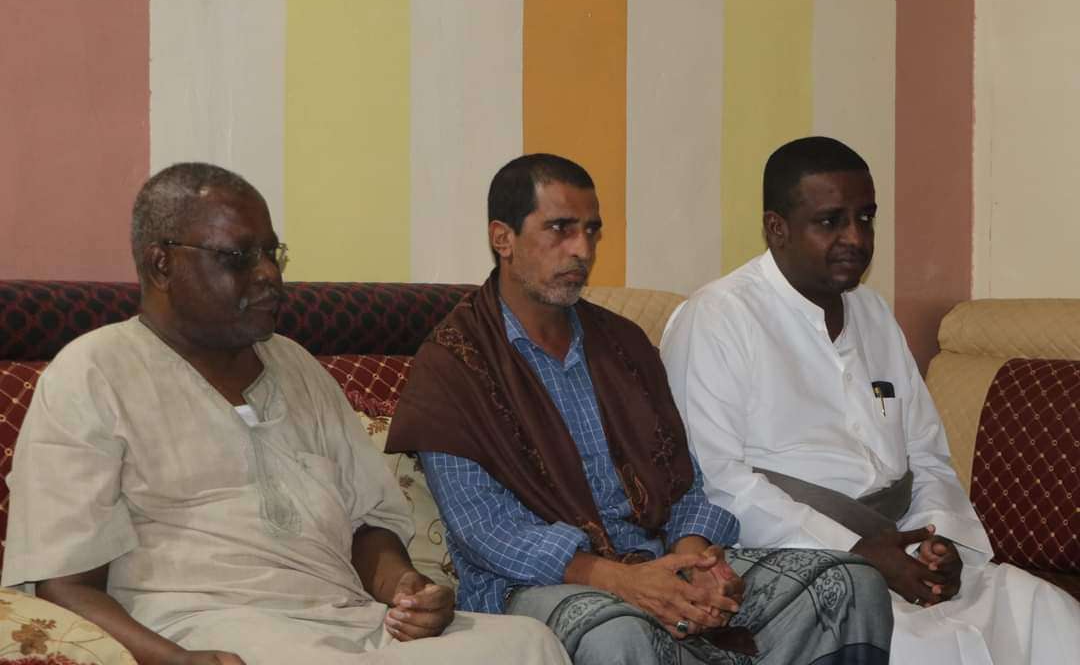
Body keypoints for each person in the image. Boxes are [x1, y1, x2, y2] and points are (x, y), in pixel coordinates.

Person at [2, 163, 570, 665]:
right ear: (161, 265)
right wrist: (175, 660)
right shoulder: (93, 374)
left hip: (348, 621)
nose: (269, 275)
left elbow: (366, 526)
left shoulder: (296, 366)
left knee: (527, 644)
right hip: (212, 628)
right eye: (238, 257)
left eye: (271, 254)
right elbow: (64, 584)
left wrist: (407, 589)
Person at [386, 153, 894, 665]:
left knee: (848, 583)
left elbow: (685, 482)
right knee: (617, 633)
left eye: (591, 231)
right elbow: (485, 531)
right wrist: (623, 581)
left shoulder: (623, 344)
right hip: (532, 586)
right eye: (560, 229)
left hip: (658, 561)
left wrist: (693, 560)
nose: (582, 249)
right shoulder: (455, 363)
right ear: (503, 238)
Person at [660, 136, 1080, 665]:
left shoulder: (874, 313)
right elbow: (717, 482)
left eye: (866, 218)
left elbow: (926, 455)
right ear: (776, 228)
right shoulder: (717, 318)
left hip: (899, 550)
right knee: (926, 649)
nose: (856, 238)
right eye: (831, 221)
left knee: (1046, 612)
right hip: (800, 561)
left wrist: (939, 542)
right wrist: (859, 552)